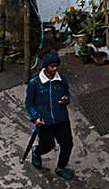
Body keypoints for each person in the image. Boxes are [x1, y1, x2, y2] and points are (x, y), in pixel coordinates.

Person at [24, 50, 75, 180]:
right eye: (52, 66)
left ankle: (61, 167)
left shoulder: (61, 79)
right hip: (45, 121)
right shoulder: (35, 83)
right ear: (46, 66)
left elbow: (67, 93)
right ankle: (37, 152)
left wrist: (65, 99)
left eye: (56, 66)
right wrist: (35, 117)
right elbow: (29, 103)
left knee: (67, 144)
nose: (55, 69)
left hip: (61, 118)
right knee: (48, 145)